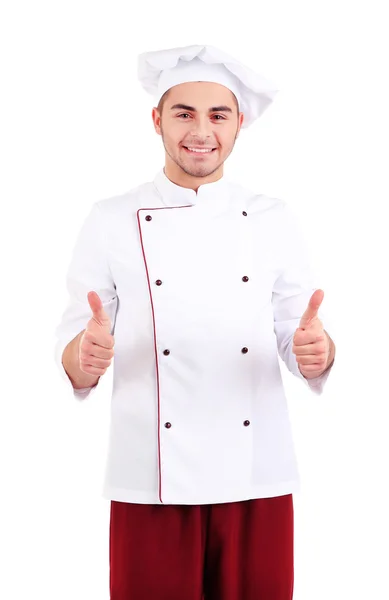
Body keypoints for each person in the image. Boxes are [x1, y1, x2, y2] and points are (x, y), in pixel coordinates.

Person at [54, 44, 336, 600]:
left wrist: (316, 352)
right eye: (183, 113)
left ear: (239, 124)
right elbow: (74, 345)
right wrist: (82, 359)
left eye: (218, 114)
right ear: (157, 120)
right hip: (151, 477)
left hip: (256, 472)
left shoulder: (274, 218)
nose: (200, 130)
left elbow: (298, 334)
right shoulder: (111, 218)